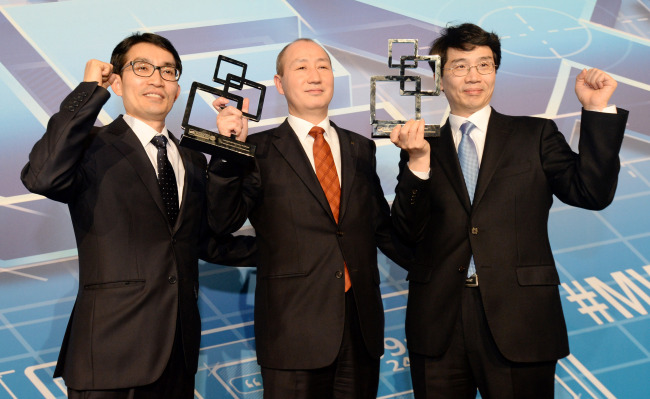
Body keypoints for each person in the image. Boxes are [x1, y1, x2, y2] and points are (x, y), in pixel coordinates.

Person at [390, 23, 629, 398]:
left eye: (484, 65)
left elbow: (591, 193)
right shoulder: (419, 143)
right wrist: (418, 162)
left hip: (521, 319)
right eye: (460, 66)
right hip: (439, 322)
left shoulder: (534, 135)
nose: (474, 76)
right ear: (438, 76)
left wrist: (596, 110)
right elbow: (406, 232)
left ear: (496, 72)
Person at [21, 33, 255, 398]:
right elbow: (41, 176)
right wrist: (86, 91)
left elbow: (212, 237)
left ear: (177, 90)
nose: (156, 79)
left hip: (177, 353)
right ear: (115, 81)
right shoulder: (90, 146)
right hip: (108, 351)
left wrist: (227, 154)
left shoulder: (192, 159)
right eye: (141, 68)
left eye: (168, 71)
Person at [210, 38, 410, 398]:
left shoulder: (359, 147)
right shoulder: (257, 150)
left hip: (360, 327)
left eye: (323, 65)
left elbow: (381, 228)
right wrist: (228, 150)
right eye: (301, 67)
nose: (314, 75)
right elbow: (221, 222)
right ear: (280, 83)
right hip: (292, 330)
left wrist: (435, 266)